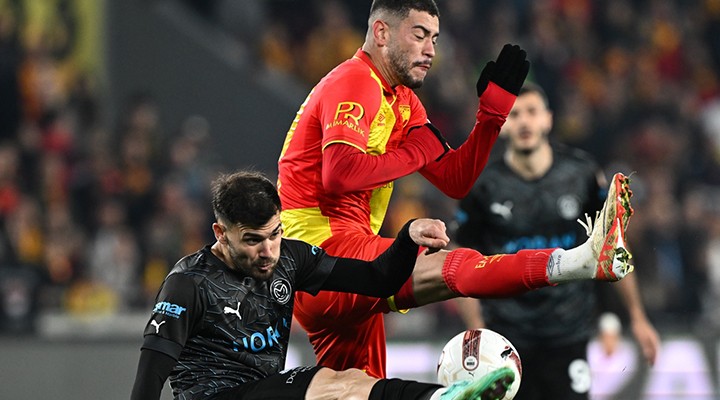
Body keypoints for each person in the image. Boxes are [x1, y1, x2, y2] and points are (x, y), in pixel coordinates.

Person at [277, 0, 635, 379]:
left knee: (358, 388)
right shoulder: (354, 81)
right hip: (324, 257)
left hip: (337, 268)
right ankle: (577, 261)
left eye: (434, 38)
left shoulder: (403, 101)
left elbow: (455, 180)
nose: (430, 50)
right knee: (454, 266)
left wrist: (491, 117)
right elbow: (340, 173)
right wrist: (415, 152)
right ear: (381, 33)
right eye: (419, 35)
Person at [129, 170, 517, 400]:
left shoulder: (291, 257)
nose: (268, 251)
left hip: (266, 390)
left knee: (353, 380)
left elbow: (376, 279)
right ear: (220, 232)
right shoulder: (188, 284)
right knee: (333, 384)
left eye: (275, 234)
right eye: (252, 240)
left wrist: (406, 237)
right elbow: (150, 375)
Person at [452, 83, 660, 399]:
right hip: (507, 338)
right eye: (515, 115)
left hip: (568, 332)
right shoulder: (483, 185)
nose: (524, 121)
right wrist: (477, 329)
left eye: (532, 112)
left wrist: (637, 317)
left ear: (547, 119)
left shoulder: (581, 174)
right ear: (503, 125)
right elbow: (461, 258)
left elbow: (613, 244)